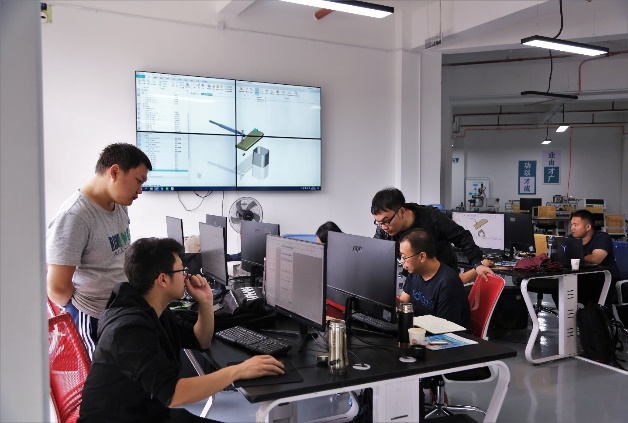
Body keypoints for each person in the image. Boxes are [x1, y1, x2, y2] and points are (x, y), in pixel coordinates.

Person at [78, 238, 284, 423]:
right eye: (181, 271)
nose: (187, 276)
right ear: (162, 280)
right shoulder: (129, 329)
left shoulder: (152, 309)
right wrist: (237, 371)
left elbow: (201, 340)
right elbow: (174, 394)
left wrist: (205, 301)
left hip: (147, 412)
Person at [46, 143, 153, 357]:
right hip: (93, 318)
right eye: (138, 181)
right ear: (114, 172)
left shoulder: (119, 204)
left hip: (119, 312)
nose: (140, 190)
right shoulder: (75, 216)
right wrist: (85, 310)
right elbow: (57, 287)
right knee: (102, 376)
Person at [371, 187, 493, 281]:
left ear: (402, 212)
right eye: (379, 222)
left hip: (443, 280)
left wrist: (477, 263)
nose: (384, 227)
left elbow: (462, 237)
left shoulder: (432, 217)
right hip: (415, 281)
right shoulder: (383, 228)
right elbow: (375, 250)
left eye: (386, 221)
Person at [397, 229, 470, 328]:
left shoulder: (447, 283)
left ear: (422, 256)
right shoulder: (414, 272)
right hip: (421, 329)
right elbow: (404, 303)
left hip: (444, 333)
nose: (402, 261)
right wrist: (392, 300)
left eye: (405, 257)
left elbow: (443, 327)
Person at [569, 209, 619, 305]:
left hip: (603, 282)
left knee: (568, 292)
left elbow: (595, 259)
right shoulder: (571, 239)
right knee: (558, 291)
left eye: (576, 225)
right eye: (571, 225)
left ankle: (589, 314)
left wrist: (573, 258)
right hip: (583, 279)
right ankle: (574, 315)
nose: (572, 228)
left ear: (588, 227)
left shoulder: (602, 238)